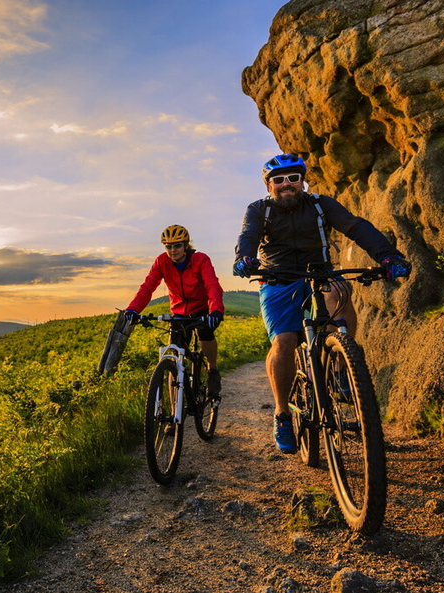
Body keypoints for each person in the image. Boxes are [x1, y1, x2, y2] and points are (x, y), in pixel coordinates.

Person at [233, 154, 411, 454]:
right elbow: (249, 235)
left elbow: (355, 227)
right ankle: (282, 414)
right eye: (278, 180)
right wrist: (244, 258)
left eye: (293, 178)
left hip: (318, 273)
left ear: (303, 181)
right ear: (269, 185)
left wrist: (387, 255)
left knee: (340, 293)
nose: (286, 185)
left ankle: (341, 364)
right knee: (284, 342)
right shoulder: (259, 210)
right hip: (277, 280)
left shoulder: (320, 204)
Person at [125, 224, 226, 398]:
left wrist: (215, 310)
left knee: (205, 333)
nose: (173, 250)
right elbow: (148, 286)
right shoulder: (161, 262)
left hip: (200, 308)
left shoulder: (201, 259)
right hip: (179, 312)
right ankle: (173, 414)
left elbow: (212, 286)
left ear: (186, 245)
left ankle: (212, 369)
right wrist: (133, 309)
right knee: (174, 359)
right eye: (169, 246)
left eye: (177, 245)